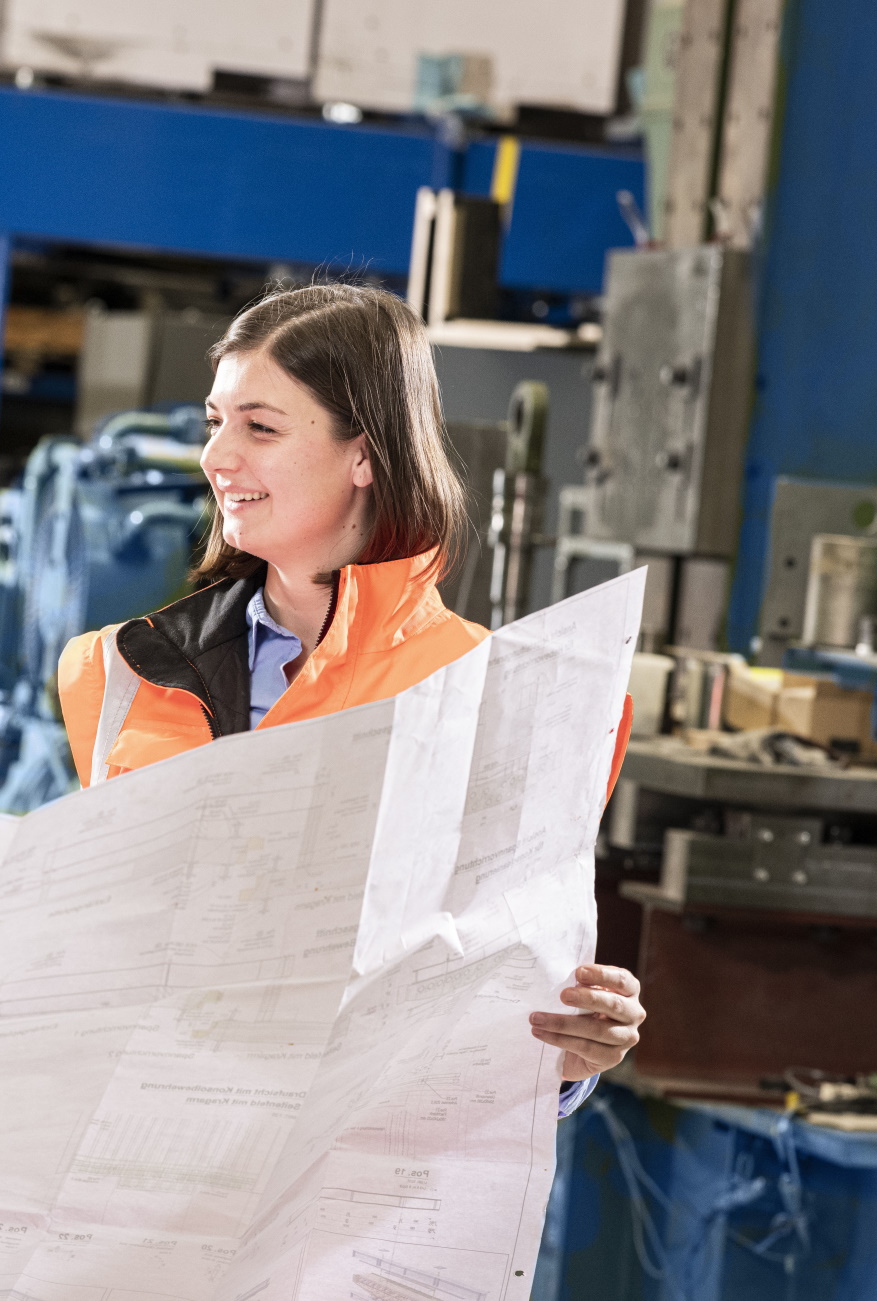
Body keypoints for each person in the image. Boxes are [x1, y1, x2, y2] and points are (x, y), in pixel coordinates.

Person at [57, 282, 645, 1116]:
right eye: (213, 422)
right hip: (146, 1155)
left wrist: (569, 1056)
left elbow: (504, 994)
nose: (217, 457)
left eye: (258, 427)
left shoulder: (501, 700)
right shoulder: (118, 671)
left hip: (350, 1198)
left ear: (363, 455)